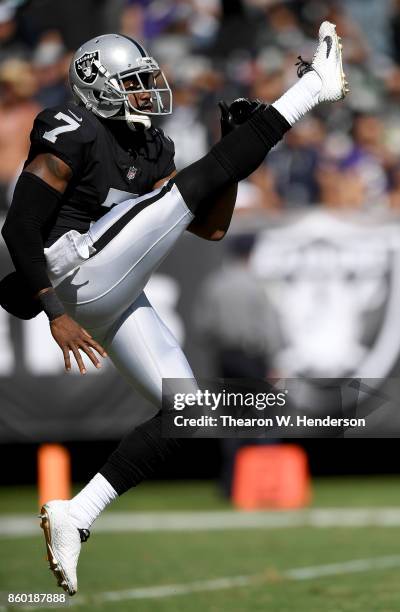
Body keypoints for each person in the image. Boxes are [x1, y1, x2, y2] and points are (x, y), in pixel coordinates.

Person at [1, 22, 348, 595]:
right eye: (132, 82)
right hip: (75, 274)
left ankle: (76, 514)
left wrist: (232, 156)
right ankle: (313, 87)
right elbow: (20, 225)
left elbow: (209, 226)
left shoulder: (151, 146)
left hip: (112, 293)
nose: (146, 91)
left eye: (144, 80)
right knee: (190, 182)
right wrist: (50, 308)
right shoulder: (72, 129)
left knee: (185, 413)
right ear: (98, 87)